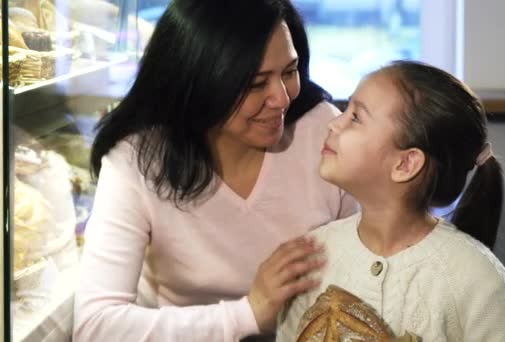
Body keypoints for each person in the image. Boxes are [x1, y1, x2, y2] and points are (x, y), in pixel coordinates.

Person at [72, 0, 358, 341]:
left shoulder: (321, 132)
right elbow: (95, 326)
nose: (282, 99)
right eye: (256, 84)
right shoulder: (137, 162)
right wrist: (248, 314)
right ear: (198, 80)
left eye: (289, 72)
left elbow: (364, 267)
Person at [276, 61, 505, 341]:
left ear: (406, 163)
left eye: (356, 117)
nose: (334, 123)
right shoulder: (312, 256)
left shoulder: (476, 276)